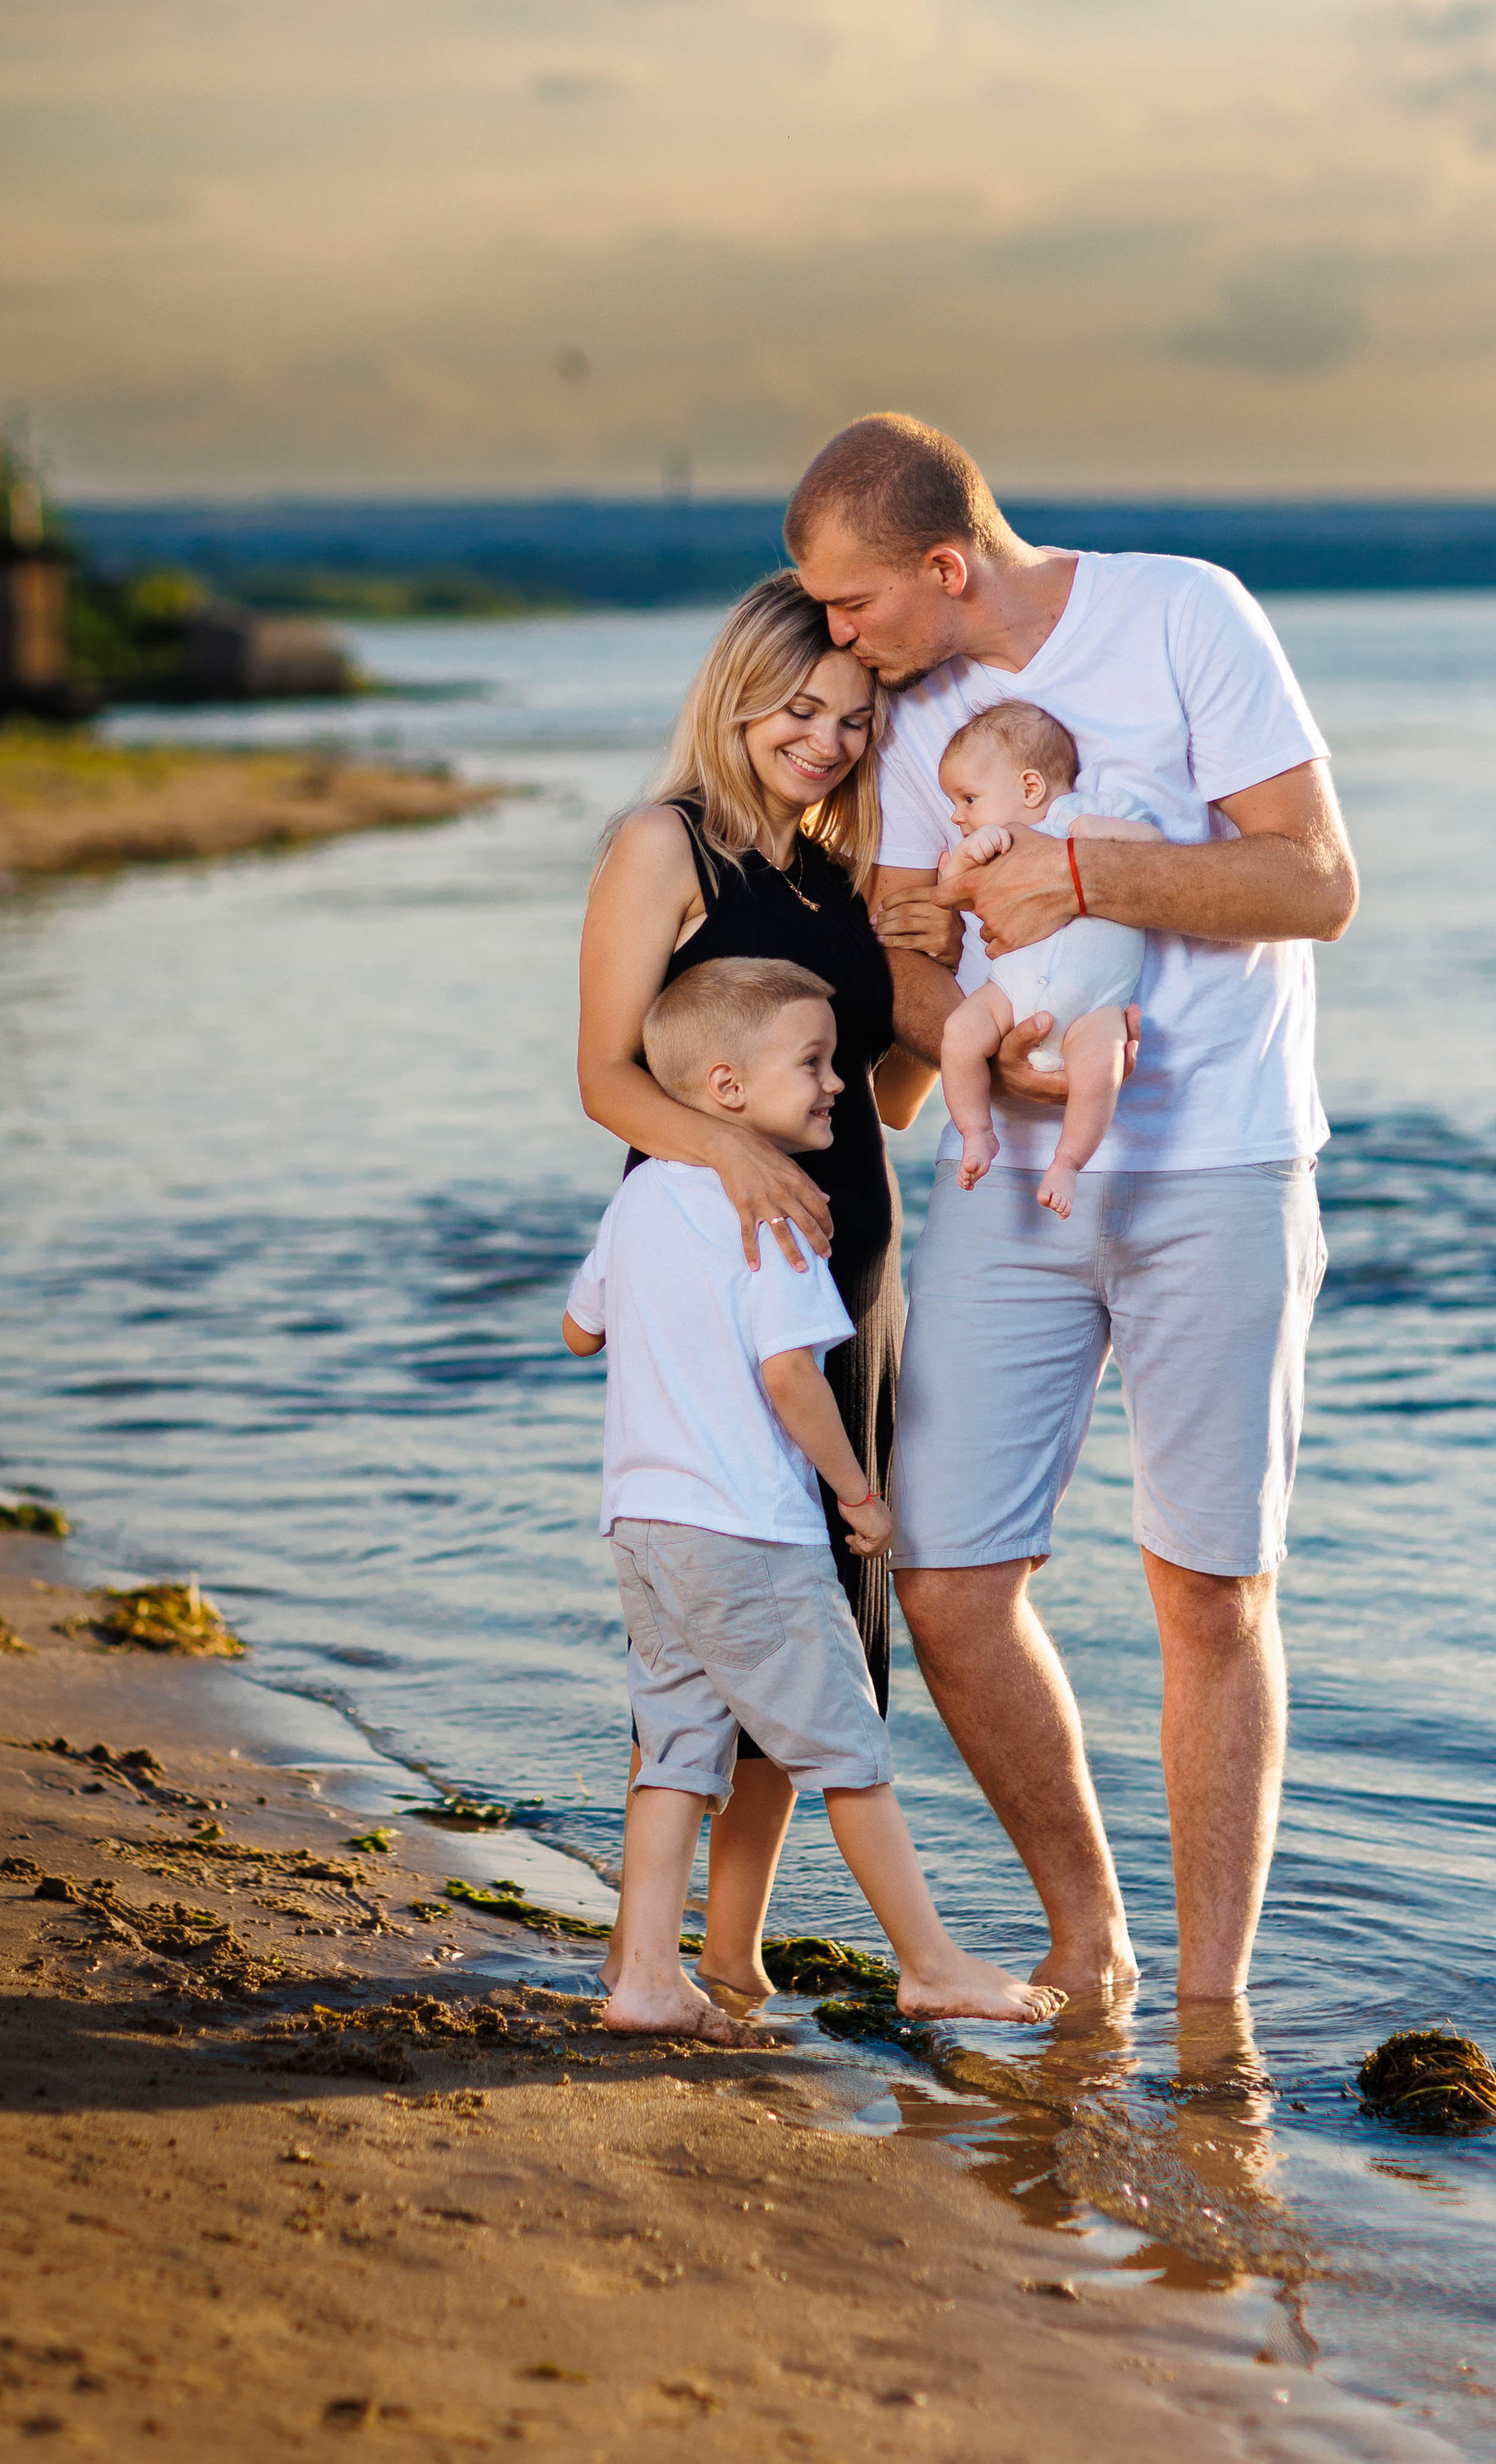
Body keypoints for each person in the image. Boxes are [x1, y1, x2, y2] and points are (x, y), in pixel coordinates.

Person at [785, 413, 1359, 2009]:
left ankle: (1206, 2004)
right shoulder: (904, 722)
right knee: (949, 1584)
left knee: (1207, 1591)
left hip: (1215, 1167)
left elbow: (1311, 882)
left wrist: (1087, 878)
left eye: (849, 605)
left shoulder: (1186, 617)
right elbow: (905, 960)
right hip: (1005, 1193)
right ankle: (1086, 1940)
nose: (837, 639)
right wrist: (982, 1057)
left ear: (942, 567)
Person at [564, 953, 1061, 2043]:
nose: (840, 1083)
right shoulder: (779, 1218)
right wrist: (861, 1495)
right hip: (749, 1530)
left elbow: (579, 1326)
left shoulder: (642, 1192)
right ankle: (929, 1963)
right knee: (850, 1753)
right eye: (816, 1062)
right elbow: (793, 1376)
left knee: (679, 1754)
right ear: (728, 1088)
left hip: (645, 1524)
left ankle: (645, 1972)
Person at [576, 570, 940, 2002]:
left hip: (849, 1279)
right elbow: (605, 1077)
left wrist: (936, 973)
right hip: (723, 1275)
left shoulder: (832, 878)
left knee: (826, 1623)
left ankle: (730, 1959)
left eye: (854, 720)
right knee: (726, 1599)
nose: (827, 741)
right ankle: (647, 1953)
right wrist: (733, 1152)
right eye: (801, 709)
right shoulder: (662, 847)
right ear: (736, 697)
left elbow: (886, 1098)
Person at [932, 701, 1153, 1218]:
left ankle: (1068, 1163)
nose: (956, 815)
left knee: (1102, 1067)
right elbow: (950, 889)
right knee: (961, 1032)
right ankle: (977, 1132)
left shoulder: (1101, 813)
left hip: (1095, 1007)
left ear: (1030, 788)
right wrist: (968, 854)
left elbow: (1155, 847)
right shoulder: (990, 846)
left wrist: (1102, 837)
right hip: (1009, 994)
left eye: (968, 798)